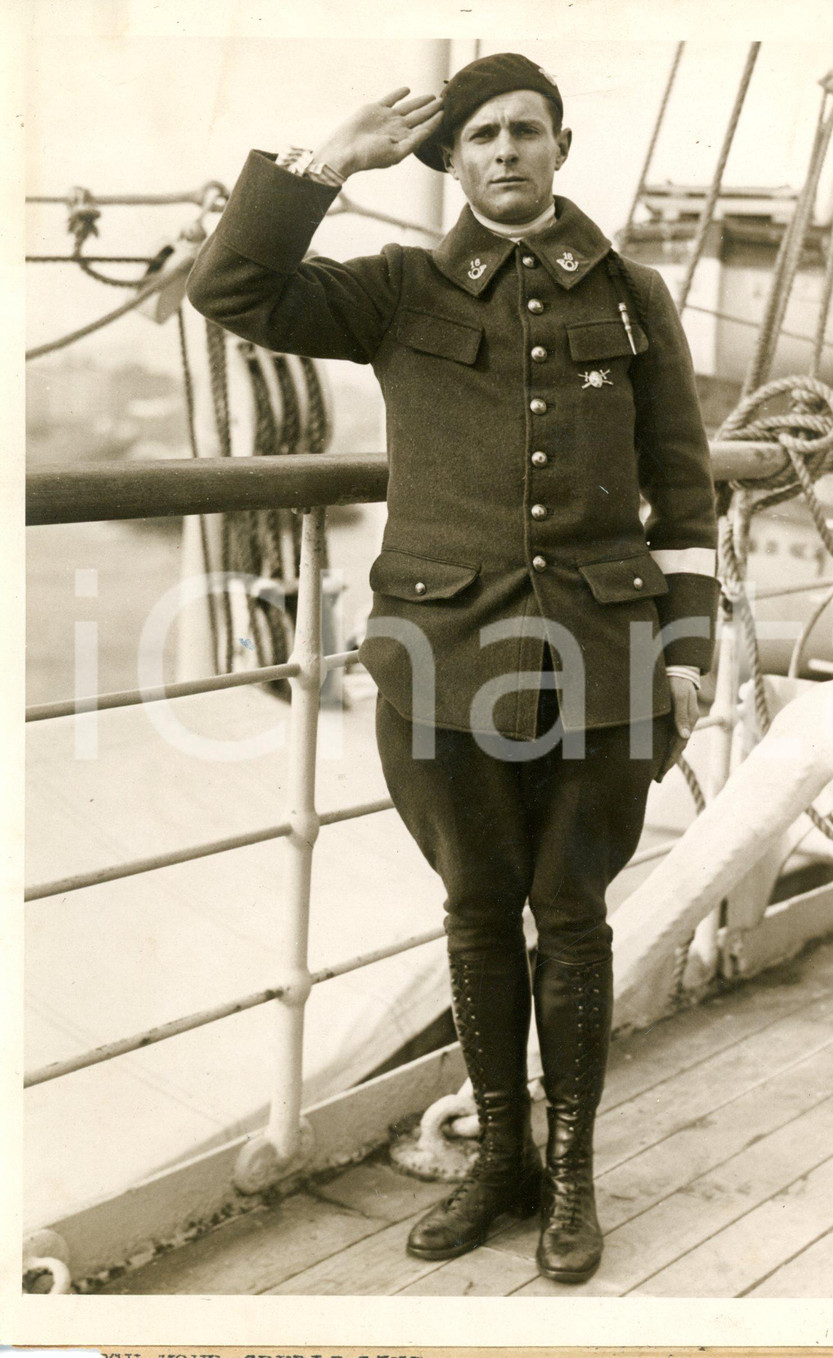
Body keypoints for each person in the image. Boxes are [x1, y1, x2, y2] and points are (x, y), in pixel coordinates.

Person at [186, 51, 719, 1286]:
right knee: (477, 907)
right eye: (481, 135)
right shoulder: (395, 288)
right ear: (449, 159)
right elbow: (232, 288)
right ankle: (500, 1163)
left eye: (527, 130)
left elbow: (685, 495)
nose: (506, 150)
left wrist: (688, 652)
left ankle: (572, 1175)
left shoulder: (634, 294)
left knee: (571, 912)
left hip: (605, 658)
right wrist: (332, 159)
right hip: (440, 658)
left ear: (562, 147)